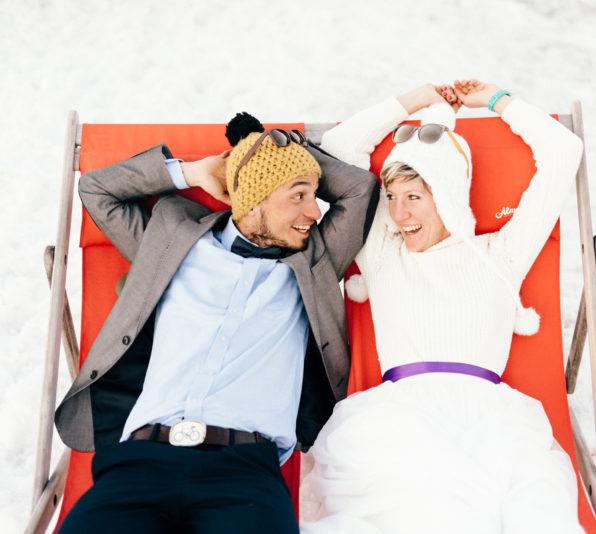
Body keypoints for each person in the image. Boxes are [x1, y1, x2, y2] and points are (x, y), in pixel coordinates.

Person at [54, 111, 380, 533]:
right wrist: (191, 172)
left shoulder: (314, 261)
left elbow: (359, 189)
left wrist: (284, 144)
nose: (314, 212)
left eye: (314, 196)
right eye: (298, 195)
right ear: (255, 197)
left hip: (244, 475)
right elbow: (97, 189)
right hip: (138, 465)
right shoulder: (172, 241)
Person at [300, 80, 586, 534]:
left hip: (490, 425)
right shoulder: (382, 252)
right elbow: (337, 148)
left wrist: (496, 101)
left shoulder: (501, 254)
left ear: (448, 196)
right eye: (391, 199)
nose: (399, 215)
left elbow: (562, 152)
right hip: (395, 421)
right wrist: (416, 101)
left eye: (414, 197)